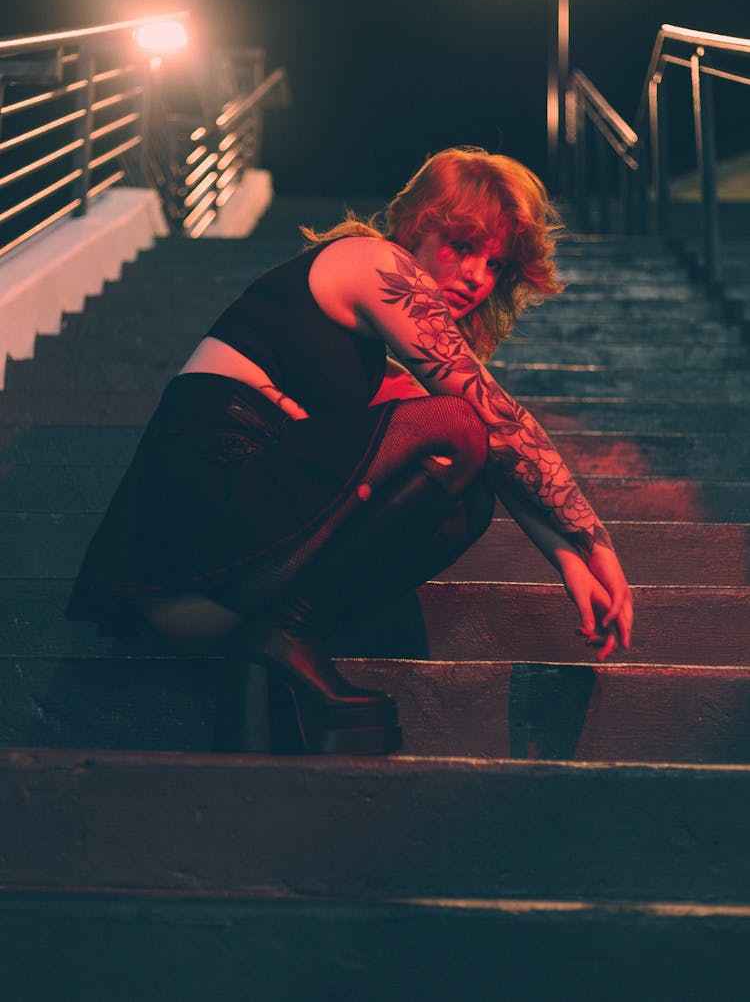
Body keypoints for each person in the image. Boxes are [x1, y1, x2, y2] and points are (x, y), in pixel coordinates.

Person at [66, 146, 633, 755]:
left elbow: (491, 449)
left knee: (466, 486)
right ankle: (289, 636)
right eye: (463, 246)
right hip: (193, 538)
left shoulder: (374, 367)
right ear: (417, 225)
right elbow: (495, 420)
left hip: (228, 581)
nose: (477, 276)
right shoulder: (369, 261)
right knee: (458, 422)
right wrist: (597, 540)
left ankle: (287, 634)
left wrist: (570, 559)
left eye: (495, 264)